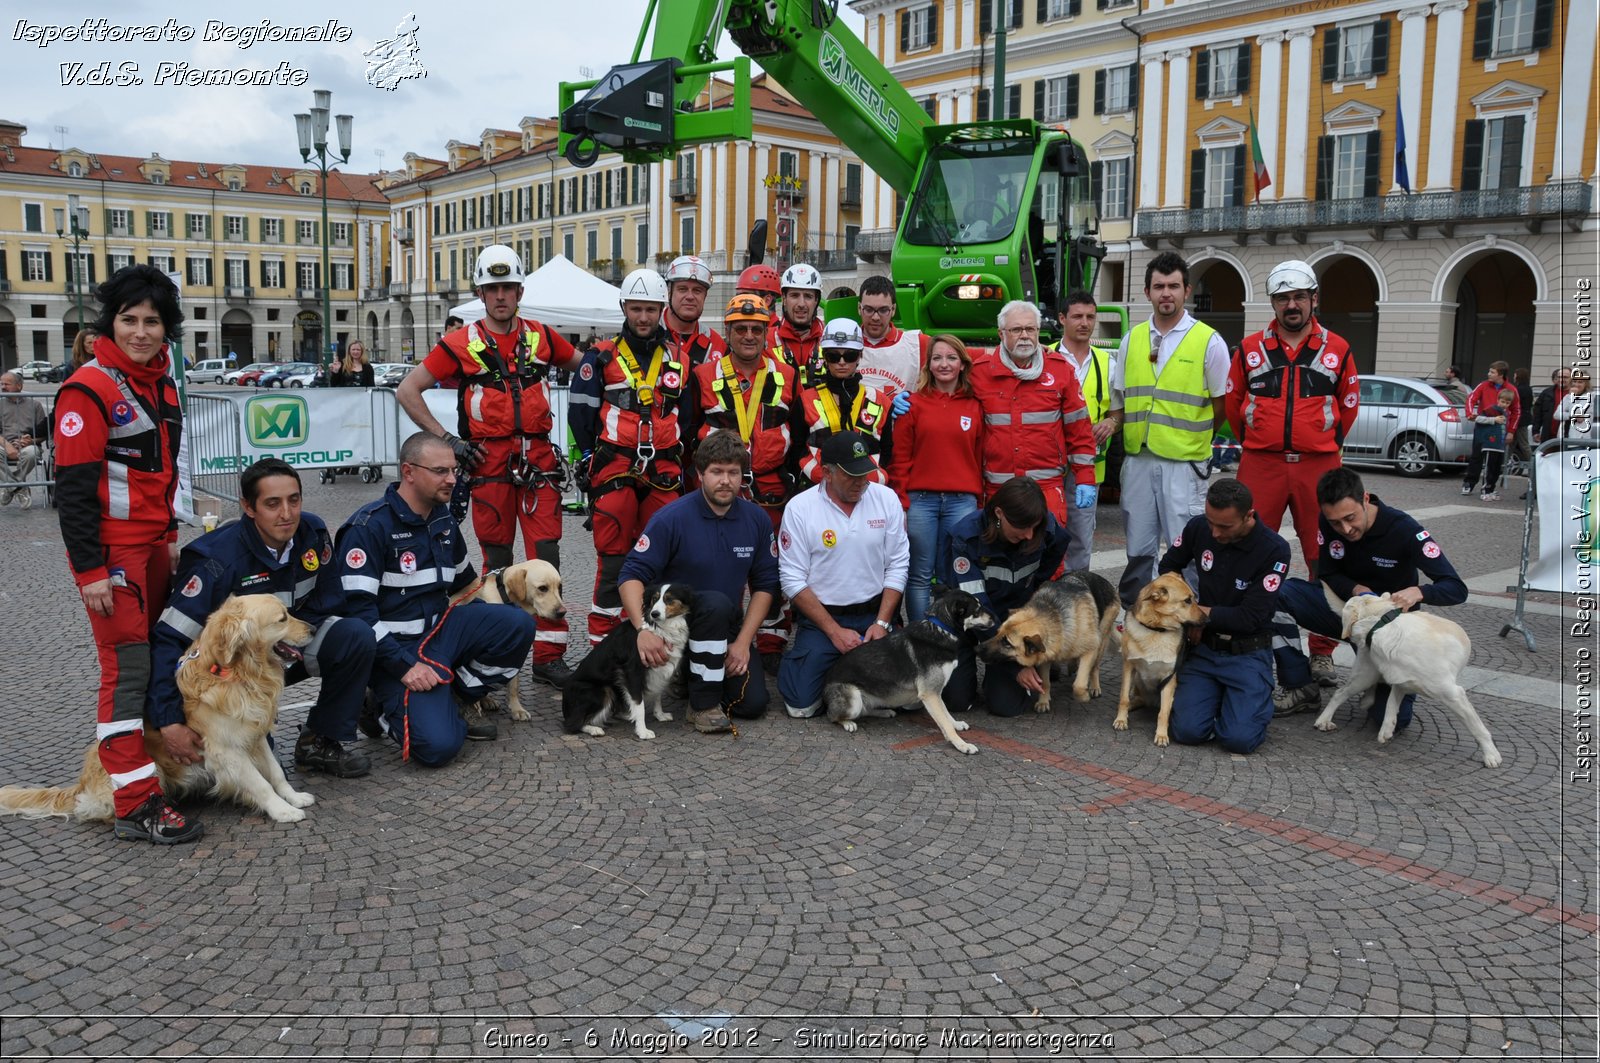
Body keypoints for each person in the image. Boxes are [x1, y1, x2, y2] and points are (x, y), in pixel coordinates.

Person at [397, 246, 584, 687]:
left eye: (508, 288)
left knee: (547, 560)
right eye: (492, 288)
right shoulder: (461, 342)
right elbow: (408, 390)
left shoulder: (541, 336)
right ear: (481, 293)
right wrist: (448, 442)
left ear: (520, 291)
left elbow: (590, 368)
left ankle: (549, 657)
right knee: (497, 565)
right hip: (487, 463)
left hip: (538, 464)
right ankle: (500, 653)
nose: (501, 296)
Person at [54, 264, 197, 843]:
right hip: (112, 554)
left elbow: (159, 473)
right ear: (108, 323)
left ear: (167, 329)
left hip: (153, 545)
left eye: (152, 321)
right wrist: (90, 571)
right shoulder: (87, 388)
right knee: (126, 671)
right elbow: (74, 492)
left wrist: (167, 538)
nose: (141, 331)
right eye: (129, 319)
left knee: (162, 656)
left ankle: (159, 769)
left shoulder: (161, 383)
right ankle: (134, 802)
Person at [147, 459, 375, 779]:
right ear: (248, 507)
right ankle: (249, 732)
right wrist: (168, 720)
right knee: (261, 775)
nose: (287, 513)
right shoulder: (215, 560)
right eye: (272, 503)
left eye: (293, 500)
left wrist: (277, 649)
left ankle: (319, 741)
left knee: (355, 636)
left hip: (280, 654)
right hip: (230, 672)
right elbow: (168, 640)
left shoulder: (314, 533)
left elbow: (329, 603)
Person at [337, 432, 536, 766]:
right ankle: (376, 706)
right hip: (395, 651)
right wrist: (404, 667)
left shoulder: (443, 520)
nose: (452, 480)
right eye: (441, 471)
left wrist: (486, 632)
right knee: (438, 747)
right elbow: (358, 615)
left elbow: (467, 585)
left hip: (439, 636)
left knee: (517, 624)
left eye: (454, 471)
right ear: (409, 472)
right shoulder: (368, 528)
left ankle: (457, 694)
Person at [1227, 259, 1358, 698]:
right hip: (1261, 463)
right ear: (1274, 303)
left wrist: (1322, 440)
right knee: (1244, 548)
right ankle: (1249, 636)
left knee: (1326, 555)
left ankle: (1322, 648)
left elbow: (1349, 404)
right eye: (1283, 298)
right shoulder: (1248, 348)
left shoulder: (1338, 347)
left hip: (1318, 466)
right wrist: (1257, 438)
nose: (1292, 305)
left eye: (1299, 296)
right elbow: (1233, 404)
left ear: (1314, 298)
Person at [1271, 467, 1467, 732]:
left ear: (1365, 498)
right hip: (1346, 613)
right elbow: (1327, 572)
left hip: (1389, 633)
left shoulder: (1404, 529)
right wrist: (1356, 589)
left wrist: (1419, 592)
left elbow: (1456, 588)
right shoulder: (1328, 521)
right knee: (1275, 595)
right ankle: (1299, 685)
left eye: (1350, 518)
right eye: (1336, 523)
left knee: (1393, 722)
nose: (1345, 528)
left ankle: (1376, 682)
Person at [617, 430, 779, 733]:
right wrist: (642, 630)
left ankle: (688, 678)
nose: (726, 480)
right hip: (673, 627)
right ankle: (702, 706)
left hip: (725, 627)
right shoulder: (671, 518)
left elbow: (766, 585)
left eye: (734, 472)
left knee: (752, 704)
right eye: (717, 471)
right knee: (714, 602)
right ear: (700, 474)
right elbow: (630, 576)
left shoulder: (756, 519)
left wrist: (743, 643)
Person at [569, 267, 689, 646]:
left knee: (661, 559)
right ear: (624, 307)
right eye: (636, 309)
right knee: (613, 560)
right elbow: (580, 415)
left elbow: (686, 414)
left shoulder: (678, 358)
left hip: (664, 470)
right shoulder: (600, 357)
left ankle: (655, 643)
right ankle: (601, 645)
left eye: (651, 310)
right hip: (616, 466)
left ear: (661, 309)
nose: (643, 317)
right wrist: (592, 456)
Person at [1108, 251, 1231, 608]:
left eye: (1173, 286)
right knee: (1139, 545)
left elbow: (1221, 403)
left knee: (1185, 545)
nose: (1166, 293)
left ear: (1186, 290)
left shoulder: (1209, 341)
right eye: (1159, 286)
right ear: (1147, 291)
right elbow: (1120, 397)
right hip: (1139, 459)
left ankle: (1185, 620)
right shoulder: (1131, 339)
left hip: (1184, 462)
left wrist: (1194, 437)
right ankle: (1137, 612)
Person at [690, 294, 802, 671]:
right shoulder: (704, 376)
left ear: (768, 332)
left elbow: (798, 435)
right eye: (741, 329)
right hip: (722, 492)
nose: (749, 336)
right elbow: (691, 433)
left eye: (757, 329)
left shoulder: (787, 375)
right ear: (729, 332)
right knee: (720, 567)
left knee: (770, 570)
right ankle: (717, 638)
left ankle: (770, 646)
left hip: (770, 490)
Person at [776, 432, 909, 718]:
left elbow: (898, 563)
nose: (861, 482)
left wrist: (883, 622)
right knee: (801, 707)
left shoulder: (886, 499)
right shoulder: (800, 509)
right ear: (826, 472)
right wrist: (833, 631)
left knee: (911, 700)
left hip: (874, 617)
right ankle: (817, 664)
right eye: (851, 476)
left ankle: (851, 675)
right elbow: (792, 579)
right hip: (824, 619)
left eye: (865, 473)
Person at [1158, 478, 1290, 754]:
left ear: (1248, 516)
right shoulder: (1198, 528)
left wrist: (1199, 614)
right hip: (1206, 648)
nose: (1215, 533)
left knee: (1239, 740)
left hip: (1247, 653)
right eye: (1211, 522)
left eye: (1225, 526)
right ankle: (1217, 699)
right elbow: (1168, 567)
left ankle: (1251, 700)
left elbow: (1250, 617)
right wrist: (1190, 608)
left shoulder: (1274, 549)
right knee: (1187, 731)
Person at [940, 477, 1071, 717]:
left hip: (1011, 624)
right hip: (967, 621)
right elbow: (976, 608)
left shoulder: (1042, 527)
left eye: (1035, 527)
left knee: (1006, 707)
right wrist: (1014, 667)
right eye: (1022, 527)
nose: (1030, 535)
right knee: (956, 701)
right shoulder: (966, 537)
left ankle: (999, 676)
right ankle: (977, 663)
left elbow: (1050, 563)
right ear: (999, 513)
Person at [966, 300, 1098, 531]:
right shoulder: (980, 372)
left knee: (1050, 560)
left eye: (1031, 329)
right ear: (1001, 333)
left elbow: (1079, 429)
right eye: (1016, 330)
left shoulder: (1060, 370)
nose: (1024, 335)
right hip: (999, 487)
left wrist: (1085, 477)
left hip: (1047, 488)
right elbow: (945, 355)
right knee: (1000, 558)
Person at [887, 335, 983, 622]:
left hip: (961, 502)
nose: (944, 364)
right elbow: (900, 459)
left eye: (952, 357)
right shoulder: (913, 405)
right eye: (937, 358)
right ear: (928, 364)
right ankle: (920, 638)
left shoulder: (975, 406)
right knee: (919, 574)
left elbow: (979, 457)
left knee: (952, 573)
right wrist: (902, 503)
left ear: (963, 364)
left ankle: (948, 636)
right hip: (921, 502)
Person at [1051, 291, 1118, 572]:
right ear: (1062, 319)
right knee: (1047, 534)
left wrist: (1113, 423)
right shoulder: (1045, 357)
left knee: (1080, 537)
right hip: (1048, 468)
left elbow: (1118, 411)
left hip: (1089, 470)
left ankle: (1076, 596)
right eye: (1077, 316)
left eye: (1090, 316)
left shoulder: (1107, 363)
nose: (1085, 323)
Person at [795, 319, 894, 484]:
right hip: (820, 488)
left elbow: (888, 451)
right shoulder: (806, 400)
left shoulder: (880, 401)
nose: (842, 362)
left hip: (868, 489)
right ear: (825, 358)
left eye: (849, 355)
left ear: (860, 356)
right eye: (834, 356)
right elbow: (797, 449)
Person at [856, 274, 929, 397]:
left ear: (893, 309)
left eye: (883, 310)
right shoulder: (843, 344)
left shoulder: (919, 344)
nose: (875, 317)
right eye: (868, 309)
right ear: (859, 308)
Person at [1462, 361, 1520, 495]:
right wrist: (1470, 414)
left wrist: (1511, 431)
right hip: (1483, 428)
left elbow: (1517, 411)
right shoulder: (1483, 385)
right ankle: (1469, 483)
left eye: (1492, 372)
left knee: (1495, 460)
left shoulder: (1512, 389)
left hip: (1500, 431)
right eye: (1490, 371)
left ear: (1501, 374)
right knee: (1476, 456)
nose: (1489, 374)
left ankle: (1489, 487)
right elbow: (1471, 399)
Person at [662, 254, 726, 369]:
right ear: (669, 292)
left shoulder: (717, 344)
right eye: (682, 289)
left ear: (705, 296)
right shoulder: (649, 334)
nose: (690, 296)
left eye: (697, 290)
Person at [769, 263, 826, 380]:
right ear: (784, 299)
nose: (801, 304)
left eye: (808, 296)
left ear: (816, 300)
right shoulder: (766, 340)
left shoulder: (830, 339)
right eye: (794, 295)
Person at [0, 370, 48, 508]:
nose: (3, 387)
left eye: (7, 384)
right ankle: (20, 488)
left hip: (28, 444)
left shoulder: (35, 404)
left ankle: (11, 486)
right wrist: (7, 445)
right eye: (1, 383)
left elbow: (44, 431)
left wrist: (31, 441)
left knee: (32, 453)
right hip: (4, 443)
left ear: (19, 386)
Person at [1467, 388, 1514, 502]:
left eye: (1507, 403)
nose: (1504, 405)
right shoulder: (1491, 410)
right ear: (1498, 400)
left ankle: (1491, 489)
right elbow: (1478, 419)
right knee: (1489, 468)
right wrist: (1493, 420)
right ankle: (1485, 490)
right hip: (1490, 444)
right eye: (1503, 402)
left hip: (1499, 446)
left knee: (1496, 470)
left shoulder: (1507, 413)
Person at [1531, 367, 1572, 443]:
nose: (1561, 379)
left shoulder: (1577, 395)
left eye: (1565, 377)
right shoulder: (1547, 393)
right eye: (1559, 377)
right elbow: (1537, 414)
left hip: (1568, 437)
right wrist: (1535, 431)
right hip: (1548, 437)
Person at [1555, 369, 1597, 442]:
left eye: (1580, 382)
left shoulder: (1588, 397)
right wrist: (1570, 416)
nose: (1576, 384)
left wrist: (1572, 397)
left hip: (1579, 440)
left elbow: (1577, 412)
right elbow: (1556, 415)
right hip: (1564, 437)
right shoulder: (1567, 397)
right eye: (1574, 381)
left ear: (1586, 384)